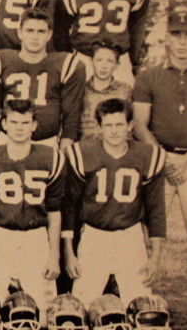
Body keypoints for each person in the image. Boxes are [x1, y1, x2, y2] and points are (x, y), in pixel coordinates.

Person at [132, 10, 187, 330]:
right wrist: (163, 158)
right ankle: (140, 303)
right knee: (144, 235)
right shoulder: (149, 75)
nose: (182, 42)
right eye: (176, 35)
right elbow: (139, 124)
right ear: (166, 38)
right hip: (158, 162)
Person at [63, 98, 165, 306]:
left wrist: (154, 257)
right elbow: (70, 207)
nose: (114, 131)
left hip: (130, 237)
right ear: (100, 127)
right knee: (81, 308)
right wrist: (69, 253)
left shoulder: (147, 155)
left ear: (130, 126)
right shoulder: (82, 154)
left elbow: (156, 210)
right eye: (108, 125)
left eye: (119, 124)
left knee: (141, 307)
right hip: (93, 236)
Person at [0, 100, 64, 322]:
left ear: (34, 125)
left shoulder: (52, 157)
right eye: (14, 122)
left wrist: (54, 254)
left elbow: (54, 210)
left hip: (35, 236)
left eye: (25, 122)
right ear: (3, 124)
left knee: (44, 316)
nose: (19, 127)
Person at [0, 8, 86, 151]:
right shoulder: (1, 60)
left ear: (49, 34)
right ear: (19, 33)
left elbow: (71, 118)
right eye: (30, 31)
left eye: (41, 31)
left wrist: (63, 154)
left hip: (48, 142)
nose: (35, 37)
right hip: (6, 141)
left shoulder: (66, 65)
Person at [79, 43, 132, 141]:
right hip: (86, 147)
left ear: (117, 65)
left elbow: (131, 124)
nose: (104, 66)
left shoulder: (125, 90)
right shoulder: (80, 89)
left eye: (110, 61)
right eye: (99, 60)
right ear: (91, 61)